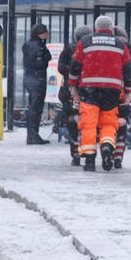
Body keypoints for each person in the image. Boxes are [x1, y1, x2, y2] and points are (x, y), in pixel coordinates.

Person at [68, 15, 131, 171]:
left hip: (89, 89)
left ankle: (90, 160)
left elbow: (75, 66)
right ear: (111, 28)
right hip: (112, 90)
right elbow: (128, 69)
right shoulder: (119, 43)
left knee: (88, 123)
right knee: (108, 122)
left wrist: (73, 86)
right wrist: (129, 90)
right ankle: (106, 146)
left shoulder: (84, 42)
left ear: (96, 27)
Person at [57, 23, 92, 164]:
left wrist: (71, 71)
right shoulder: (92, 49)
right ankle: (85, 147)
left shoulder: (68, 49)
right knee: (88, 120)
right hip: (88, 89)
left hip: (70, 90)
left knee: (72, 119)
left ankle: (75, 149)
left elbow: (61, 67)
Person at [112, 26, 131, 169]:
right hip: (124, 92)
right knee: (122, 122)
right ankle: (118, 154)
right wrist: (129, 85)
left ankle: (107, 146)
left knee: (106, 121)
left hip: (107, 92)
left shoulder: (107, 47)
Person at [22, 22, 52, 145]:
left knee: (32, 106)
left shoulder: (28, 44)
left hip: (29, 78)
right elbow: (43, 61)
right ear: (41, 33)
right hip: (38, 79)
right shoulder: (39, 45)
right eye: (46, 32)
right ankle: (33, 134)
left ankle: (31, 134)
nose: (48, 34)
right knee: (36, 107)